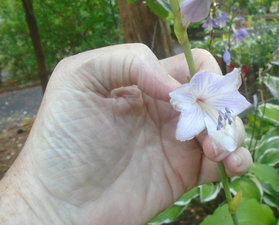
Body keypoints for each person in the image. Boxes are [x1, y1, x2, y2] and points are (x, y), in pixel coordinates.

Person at [0, 44, 252, 225]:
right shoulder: (186, 101)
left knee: (225, 147)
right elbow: (181, 102)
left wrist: (37, 205)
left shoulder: (208, 102)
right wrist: (40, 199)